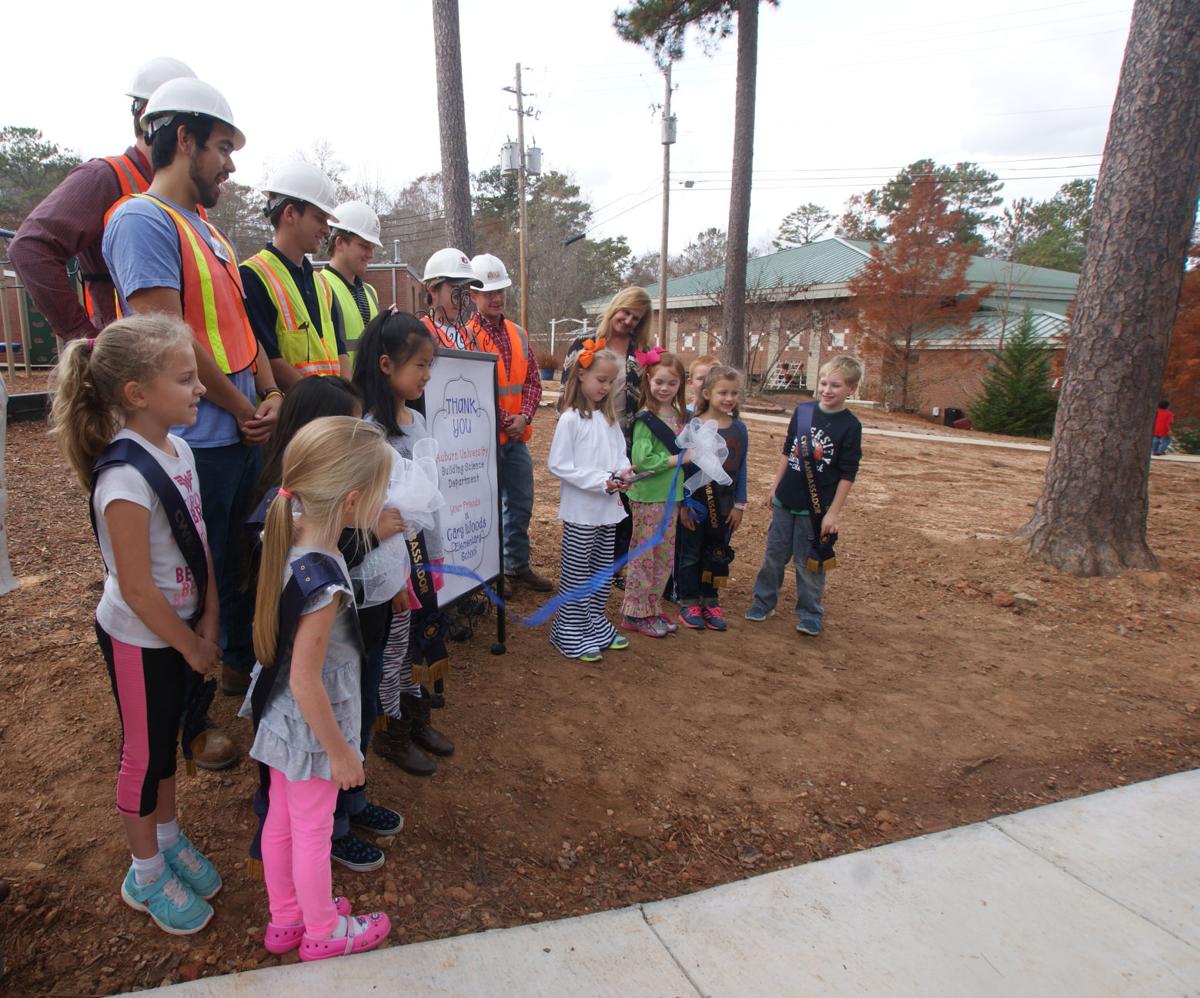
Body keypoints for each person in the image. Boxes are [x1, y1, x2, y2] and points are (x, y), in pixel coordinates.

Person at [103, 76, 282, 767]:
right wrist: (240, 410)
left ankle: (230, 664)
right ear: (183, 140)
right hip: (194, 442)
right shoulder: (140, 221)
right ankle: (188, 723)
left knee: (231, 569)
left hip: (237, 434)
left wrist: (267, 394)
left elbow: (239, 325)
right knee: (185, 581)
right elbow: (165, 333)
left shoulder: (209, 232)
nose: (230, 165)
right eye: (221, 148)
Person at [49, 315, 222, 935]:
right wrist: (192, 646)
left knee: (168, 740)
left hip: (181, 629)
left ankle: (168, 839)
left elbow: (196, 542)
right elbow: (137, 588)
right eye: (185, 379)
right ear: (137, 395)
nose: (201, 388)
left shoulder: (181, 450)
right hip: (142, 638)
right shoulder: (123, 478)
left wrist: (210, 614)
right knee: (142, 757)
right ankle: (144, 873)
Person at [242, 416, 392, 961]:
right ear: (352, 502)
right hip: (311, 725)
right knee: (312, 829)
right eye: (381, 491)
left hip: (279, 712)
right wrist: (340, 752)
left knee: (282, 820)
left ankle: (287, 918)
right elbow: (309, 678)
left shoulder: (285, 534)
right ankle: (324, 931)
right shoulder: (323, 581)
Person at [9, 57, 195, 340]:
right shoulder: (104, 178)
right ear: (151, 118)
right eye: (196, 125)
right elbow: (30, 248)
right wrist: (83, 338)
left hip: (184, 361)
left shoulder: (189, 199)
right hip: (131, 368)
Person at [353, 310, 455, 774]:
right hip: (393, 565)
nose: (427, 375)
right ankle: (390, 733)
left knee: (421, 638)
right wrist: (394, 574)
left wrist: (437, 553)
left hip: (422, 556)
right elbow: (369, 509)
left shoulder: (415, 419)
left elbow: (429, 495)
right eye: (420, 365)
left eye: (430, 365)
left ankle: (416, 717)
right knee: (394, 647)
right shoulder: (368, 431)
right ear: (386, 365)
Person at [746, 355, 864, 636]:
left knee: (809, 562)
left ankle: (810, 612)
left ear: (852, 388)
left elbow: (848, 473)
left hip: (816, 508)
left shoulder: (850, 425)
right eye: (823, 383)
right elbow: (788, 450)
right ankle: (764, 601)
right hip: (786, 499)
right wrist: (776, 485)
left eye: (836, 385)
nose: (827, 390)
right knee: (774, 555)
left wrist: (833, 512)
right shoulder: (804, 412)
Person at [466, 253, 552, 592]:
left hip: (515, 439)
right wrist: (505, 420)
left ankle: (516, 565)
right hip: (483, 441)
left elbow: (532, 381)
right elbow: (470, 390)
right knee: (483, 510)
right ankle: (491, 574)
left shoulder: (518, 334)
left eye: (500, 289)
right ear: (472, 295)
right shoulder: (465, 336)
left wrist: (525, 416)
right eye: (488, 291)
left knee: (520, 502)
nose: (496, 297)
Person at [547, 342, 633, 661]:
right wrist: (600, 481)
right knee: (577, 572)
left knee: (601, 569)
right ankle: (567, 629)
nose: (605, 387)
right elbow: (558, 465)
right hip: (582, 512)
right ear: (581, 375)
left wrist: (624, 472)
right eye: (600, 379)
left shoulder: (609, 419)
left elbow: (618, 455)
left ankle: (593, 624)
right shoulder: (570, 419)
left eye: (610, 381)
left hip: (608, 512)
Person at [562, 288, 655, 583]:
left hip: (622, 433)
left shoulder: (640, 352)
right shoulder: (585, 343)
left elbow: (645, 396)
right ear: (615, 307)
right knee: (587, 494)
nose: (628, 320)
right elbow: (567, 387)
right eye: (625, 312)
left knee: (619, 502)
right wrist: (572, 421)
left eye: (635, 317)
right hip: (586, 427)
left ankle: (610, 567)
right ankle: (580, 561)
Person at [241, 162, 348, 387]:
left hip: (329, 415)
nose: (327, 230)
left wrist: (347, 400)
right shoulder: (252, 276)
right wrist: (324, 402)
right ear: (290, 213)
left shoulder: (322, 285)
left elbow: (340, 352)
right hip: (290, 417)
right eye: (319, 218)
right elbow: (268, 359)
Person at [621, 351, 690, 638]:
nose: (664, 388)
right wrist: (678, 459)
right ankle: (634, 612)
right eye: (659, 381)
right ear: (649, 380)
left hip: (670, 496)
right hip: (648, 496)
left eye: (672, 384)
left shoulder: (679, 417)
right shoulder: (645, 420)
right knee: (644, 555)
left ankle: (651, 606)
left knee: (664, 555)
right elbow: (642, 460)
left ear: (680, 385)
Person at [676, 365, 749, 632]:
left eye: (734, 393)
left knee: (716, 552)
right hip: (696, 502)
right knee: (691, 553)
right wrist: (682, 505)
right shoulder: (692, 426)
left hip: (725, 504)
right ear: (707, 393)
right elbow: (683, 468)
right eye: (722, 392)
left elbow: (742, 468)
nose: (728, 398)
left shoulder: (739, 429)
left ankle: (710, 599)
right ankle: (688, 600)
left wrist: (740, 504)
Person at [319, 201, 382, 356]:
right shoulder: (319, 287)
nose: (371, 254)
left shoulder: (370, 292)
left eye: (372, 248)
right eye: (364, 246)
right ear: (340, 243)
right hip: (339, 380)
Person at [419, 248, 482, 350]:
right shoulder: (420, 333)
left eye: (466, 294)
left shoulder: (469, 335)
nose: (462, 302)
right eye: (456, 293)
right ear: (433, 290)